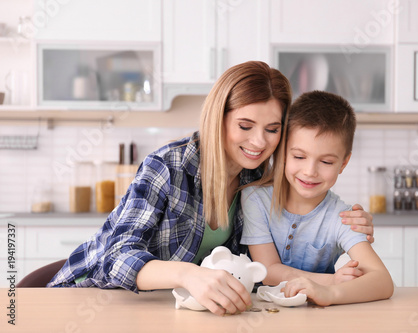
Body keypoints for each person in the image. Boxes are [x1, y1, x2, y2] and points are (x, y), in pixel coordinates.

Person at [47, 61, 375, 316]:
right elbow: (115, 259)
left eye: (272, 129)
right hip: (89, 299)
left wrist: (349, 223)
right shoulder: (169, 166)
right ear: (219, 118)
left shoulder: (257, 180)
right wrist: (187, 275)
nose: (259, 141)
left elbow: (281, 245)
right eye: (245, 126)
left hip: (167, 310)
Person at [241, 90, 393, 305]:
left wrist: (330, 294)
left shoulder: (342, 217)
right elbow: (267, 270)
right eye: (299, 156)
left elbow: (383, 281)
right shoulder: (256, 199)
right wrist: (331, 281)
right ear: (283, 152)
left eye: (326, 162)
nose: (310, 171)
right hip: (258, 309)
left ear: (343, 163)